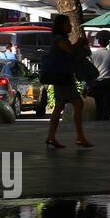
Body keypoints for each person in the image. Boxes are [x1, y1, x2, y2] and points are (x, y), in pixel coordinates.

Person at [43, 14, 92, 149]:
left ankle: (52, 136)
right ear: (61, 26)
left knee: (59, 107)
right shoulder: (59, 39)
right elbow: (70, 51)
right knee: (77, 103)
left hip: (63, 77)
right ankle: (79, 137)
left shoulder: (60, 39)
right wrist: (79, 43)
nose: (70, 26)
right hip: (63, 78)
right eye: (68, 23)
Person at [88, 31, 110, 121]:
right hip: (107, 84)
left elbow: (90, 70)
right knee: (107, 107)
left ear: (99, 42)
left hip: (96, 84)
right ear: (108, 43)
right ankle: (105, 122)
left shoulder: (93, 55)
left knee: (97, 105)